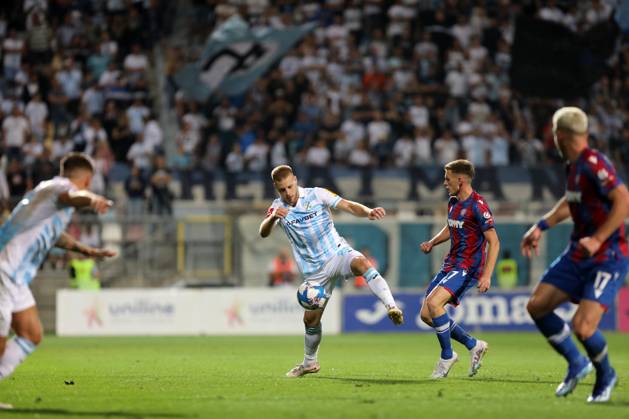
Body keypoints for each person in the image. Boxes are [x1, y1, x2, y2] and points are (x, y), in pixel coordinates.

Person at [520, 107, 629, 403]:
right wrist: (541, 226)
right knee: (537, 306)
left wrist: (598, 238)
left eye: (554, 134)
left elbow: (624, 200)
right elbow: (571, 203)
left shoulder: (594, 163)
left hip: (607, 256)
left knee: (583, 326)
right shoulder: (574, 165)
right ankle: (577, 363)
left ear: (561, 135)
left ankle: (605, 374)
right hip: (578, 254)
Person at [259, 165, 404, 378]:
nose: (288, 193)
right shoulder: (277, 207)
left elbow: (347, 205)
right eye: (282, 190)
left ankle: (391, 306)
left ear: (296, 180)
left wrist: (368, 212)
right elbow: (263, 232)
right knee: (310, 321)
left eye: (290, 186)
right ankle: (310, 363)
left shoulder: (317, 194)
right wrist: (273, 218)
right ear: (276, 189)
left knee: (362, 263)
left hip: (337, 253)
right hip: (315, 273)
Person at [0, 153, 116, 408]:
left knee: (31, 335)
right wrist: (93, 199)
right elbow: (73, 197)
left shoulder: (48, 192)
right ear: (87, 179)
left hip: (15, 276)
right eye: (90, 185)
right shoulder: (64, 189)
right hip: (3, 269)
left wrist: (88, 251)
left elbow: (55, 234)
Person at [419, 159, 500, 379]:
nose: (445, 183)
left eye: (448, 179)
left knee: (435, 304)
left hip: (468, 267)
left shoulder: (478, 206)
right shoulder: (453, 201)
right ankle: (474, 345)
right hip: (451, 263)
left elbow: (494, 241)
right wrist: (432, 242)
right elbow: (451, 226)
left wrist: (487, 275)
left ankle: (447, 356)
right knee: (426, 314)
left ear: (460, 180)